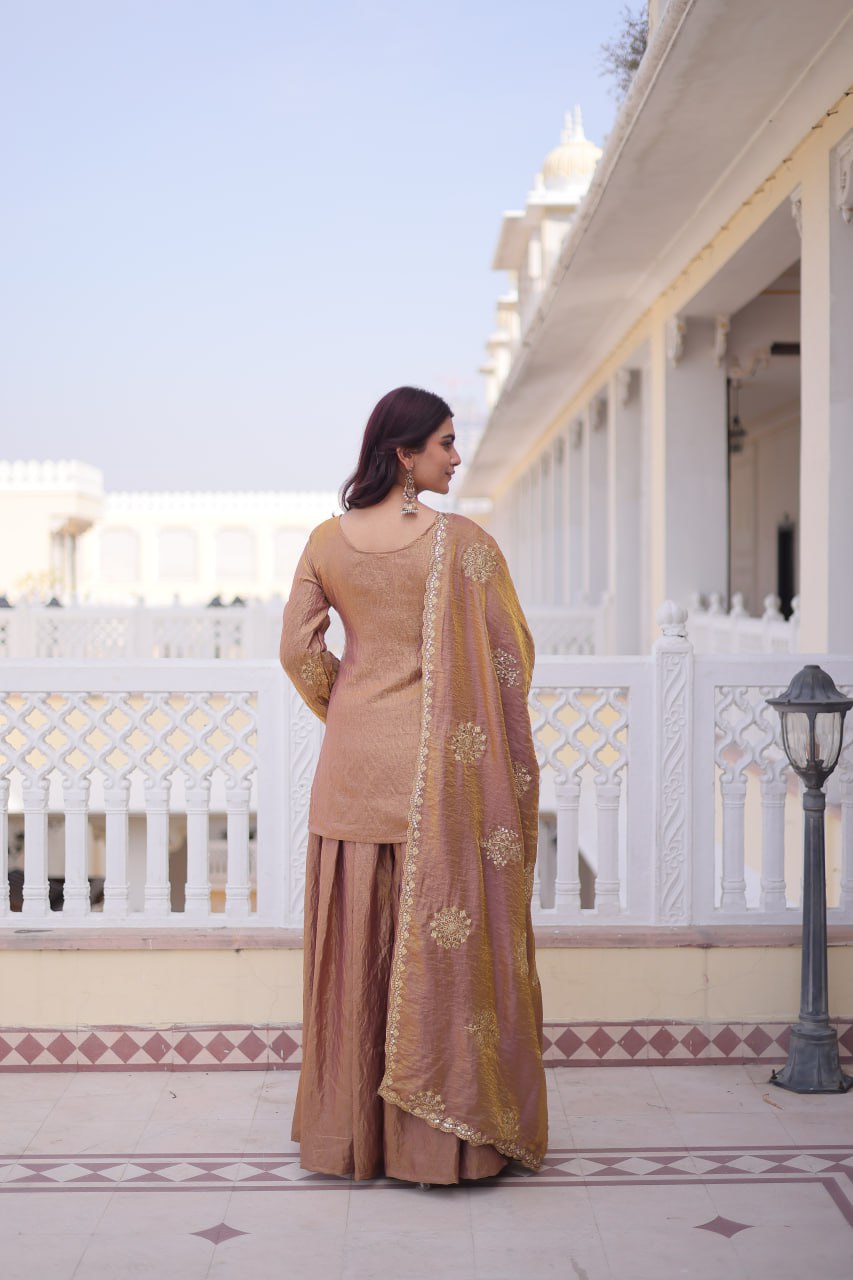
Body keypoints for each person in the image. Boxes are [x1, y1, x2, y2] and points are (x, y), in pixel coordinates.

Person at [280, 386, 547, 1185]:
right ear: (404, 454)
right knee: (443, 955)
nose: (456, 457)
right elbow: (511, 657)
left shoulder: (325, 542)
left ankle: (351, 1139)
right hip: (442, 776)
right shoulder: (462, 546)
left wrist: (349, 707)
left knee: (357, 954)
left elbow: (297, 652)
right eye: (444, 443)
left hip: (352, 769)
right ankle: (441, 1146)